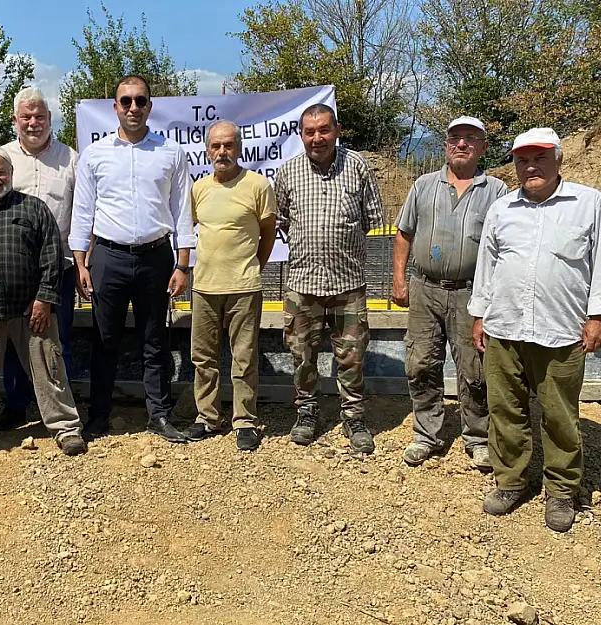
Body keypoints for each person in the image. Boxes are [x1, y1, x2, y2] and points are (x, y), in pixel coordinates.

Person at [470, 127, 601, 532]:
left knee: (559, 414)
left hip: (562, 329)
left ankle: (561, 490)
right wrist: (480, 315)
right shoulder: (503, 209)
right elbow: (488, 265)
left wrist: (598, 315)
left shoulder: (589, 204)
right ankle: (511, 481)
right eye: (522, 160)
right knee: (505, 409)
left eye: (539, 158)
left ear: (559, 159)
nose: (530, 166)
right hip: (505, 327)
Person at [69, 75, 195, 443]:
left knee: (155, 339)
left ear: (150, 106)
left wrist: (182, 264)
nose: (133, 108)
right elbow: (82, 212)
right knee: (104, 339)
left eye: (140, 101)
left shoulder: (171, 153)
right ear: (115, 108)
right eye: (126, 101)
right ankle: (99, 415)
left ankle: (159, 414)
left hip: (157, 257)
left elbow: (182, 211)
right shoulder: (95, 155)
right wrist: (80, 263)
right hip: (108, 257)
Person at [0, 146, 87, 455]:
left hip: (30, 312)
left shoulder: (34, 209)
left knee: (50, 370)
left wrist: (44, 300)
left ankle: (65, 428)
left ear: (11, 173)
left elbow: (51, 257)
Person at [391, 116, 508, 470]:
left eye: (470, 139)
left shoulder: (496, 191)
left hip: (471, 293)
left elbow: (503, 246)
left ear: (483, 147)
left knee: (475, 368)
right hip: (425, 289)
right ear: (445, 145)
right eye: (455, 138)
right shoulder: (424, 186)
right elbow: (404, 234)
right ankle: (426, 435)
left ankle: (477, 437)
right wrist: (400, 279)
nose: (461, 144)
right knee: (421, 363)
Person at [274, 103, 383, 454]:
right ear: (301, 135)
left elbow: (372, 220)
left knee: (351, 357)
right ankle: (307, 412)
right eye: (309, 132)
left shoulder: (358, 167)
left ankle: (353, 416)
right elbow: (283, 221)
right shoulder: (288, 172)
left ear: (337, 130)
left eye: (324, 130)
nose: (317, 138)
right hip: (302, 285)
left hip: (348, 285)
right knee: (301, 355)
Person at [184, 120, 277, 451]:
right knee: (203, 357)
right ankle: (207, 417)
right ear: (208, 150)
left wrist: (253, 265)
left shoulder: (257, 186)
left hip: (243, 286)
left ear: (239, 148)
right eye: (216, 146)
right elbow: (190, 229)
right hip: (204, 286)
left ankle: (245, 421)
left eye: (228, 145)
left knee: (244, 356)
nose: (222, 151)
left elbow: (268, 233)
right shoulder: (198, 189)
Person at [0, 86, 79, 432]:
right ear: (15, 120)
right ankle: (16, 405)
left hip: (59, 268)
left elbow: (83, 213)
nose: (33, 122)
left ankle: (58, 408)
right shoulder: (2, 159)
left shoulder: (70, 159)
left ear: (49, 118)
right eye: (26, 116)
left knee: (58, 342)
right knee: (16, 343)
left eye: (39, 116)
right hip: (14, 269)